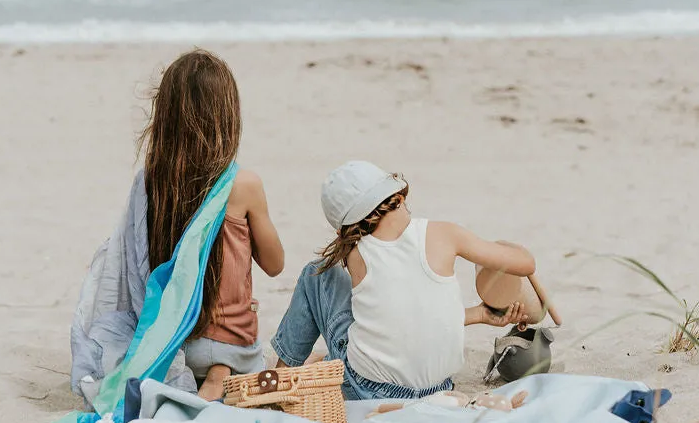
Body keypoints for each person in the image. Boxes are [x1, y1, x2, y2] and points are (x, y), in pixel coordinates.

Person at [70, 49, 284, 404]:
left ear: (165, 118)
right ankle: (222, 370)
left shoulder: (152, 183)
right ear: (227, 117)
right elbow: (275, 265)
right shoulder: (243, 185)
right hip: (237, 345)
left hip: (176, 344)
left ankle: (213, 371)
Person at [271, 160, 540, 400]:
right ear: (396, 194)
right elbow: (526, 264)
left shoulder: (355, 255)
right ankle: (322, 363)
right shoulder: (446, 234)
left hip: (367, 390)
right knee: (370, 312)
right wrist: (509, 250)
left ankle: (281, 377)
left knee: (316, 273)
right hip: (438, 389)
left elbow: (393, 311)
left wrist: (479, 315)